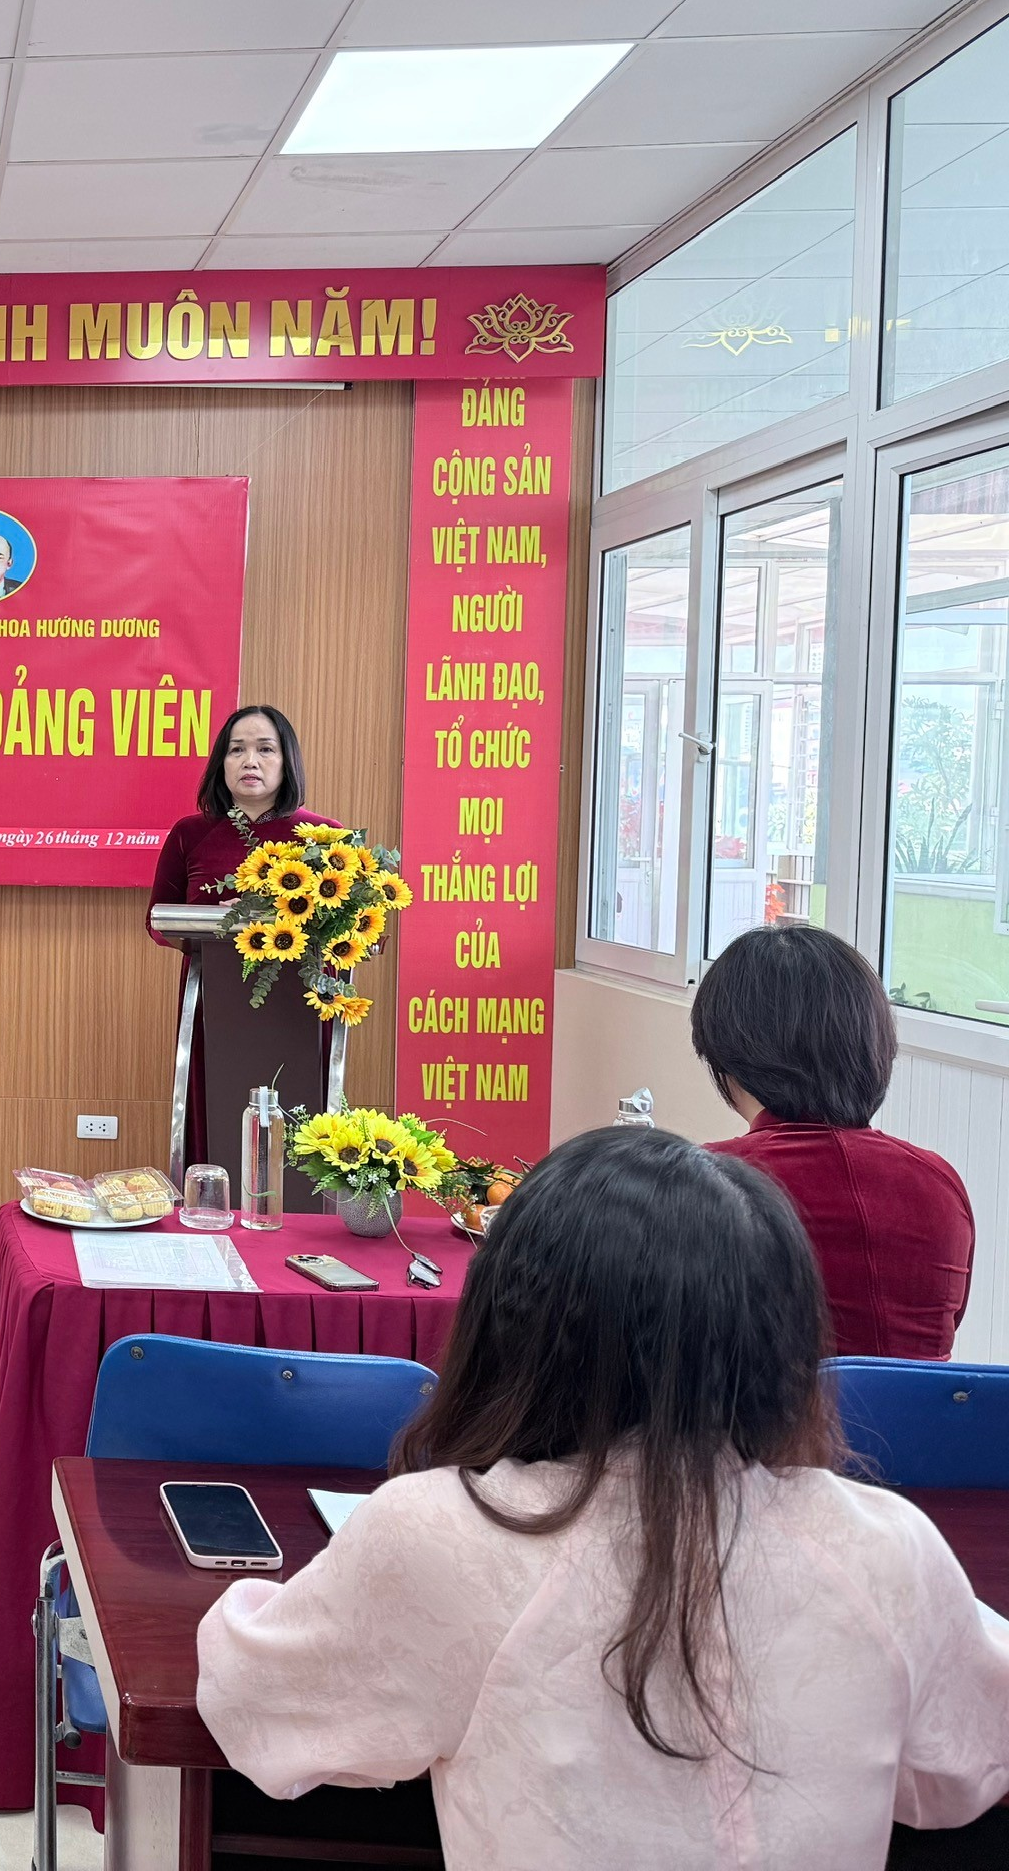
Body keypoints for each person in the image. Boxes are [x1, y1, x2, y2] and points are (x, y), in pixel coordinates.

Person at [194, 1127, 1009, 1870]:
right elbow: (960, 1772)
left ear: (513, 1324)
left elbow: (256, 1709)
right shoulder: (886, 1545)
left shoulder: (445, 1533)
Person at [692, 922, 974, 1360]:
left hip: (767, 1409)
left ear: (725, 1055)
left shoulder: (709, 1182)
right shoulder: (939, 1183)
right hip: (917, 1409)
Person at [145, 704, 337, 1163]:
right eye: (237, 750)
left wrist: (273, 915)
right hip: (213, 1003)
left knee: (301, 1129)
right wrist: (218, 921)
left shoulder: (325, 838)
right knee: (218, 1122)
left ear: (287, 761)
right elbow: (157, 920)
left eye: (265, 749)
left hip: (301, 1005)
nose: (250, 761)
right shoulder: (190, 833)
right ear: (221, 762)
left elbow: (349, 924)